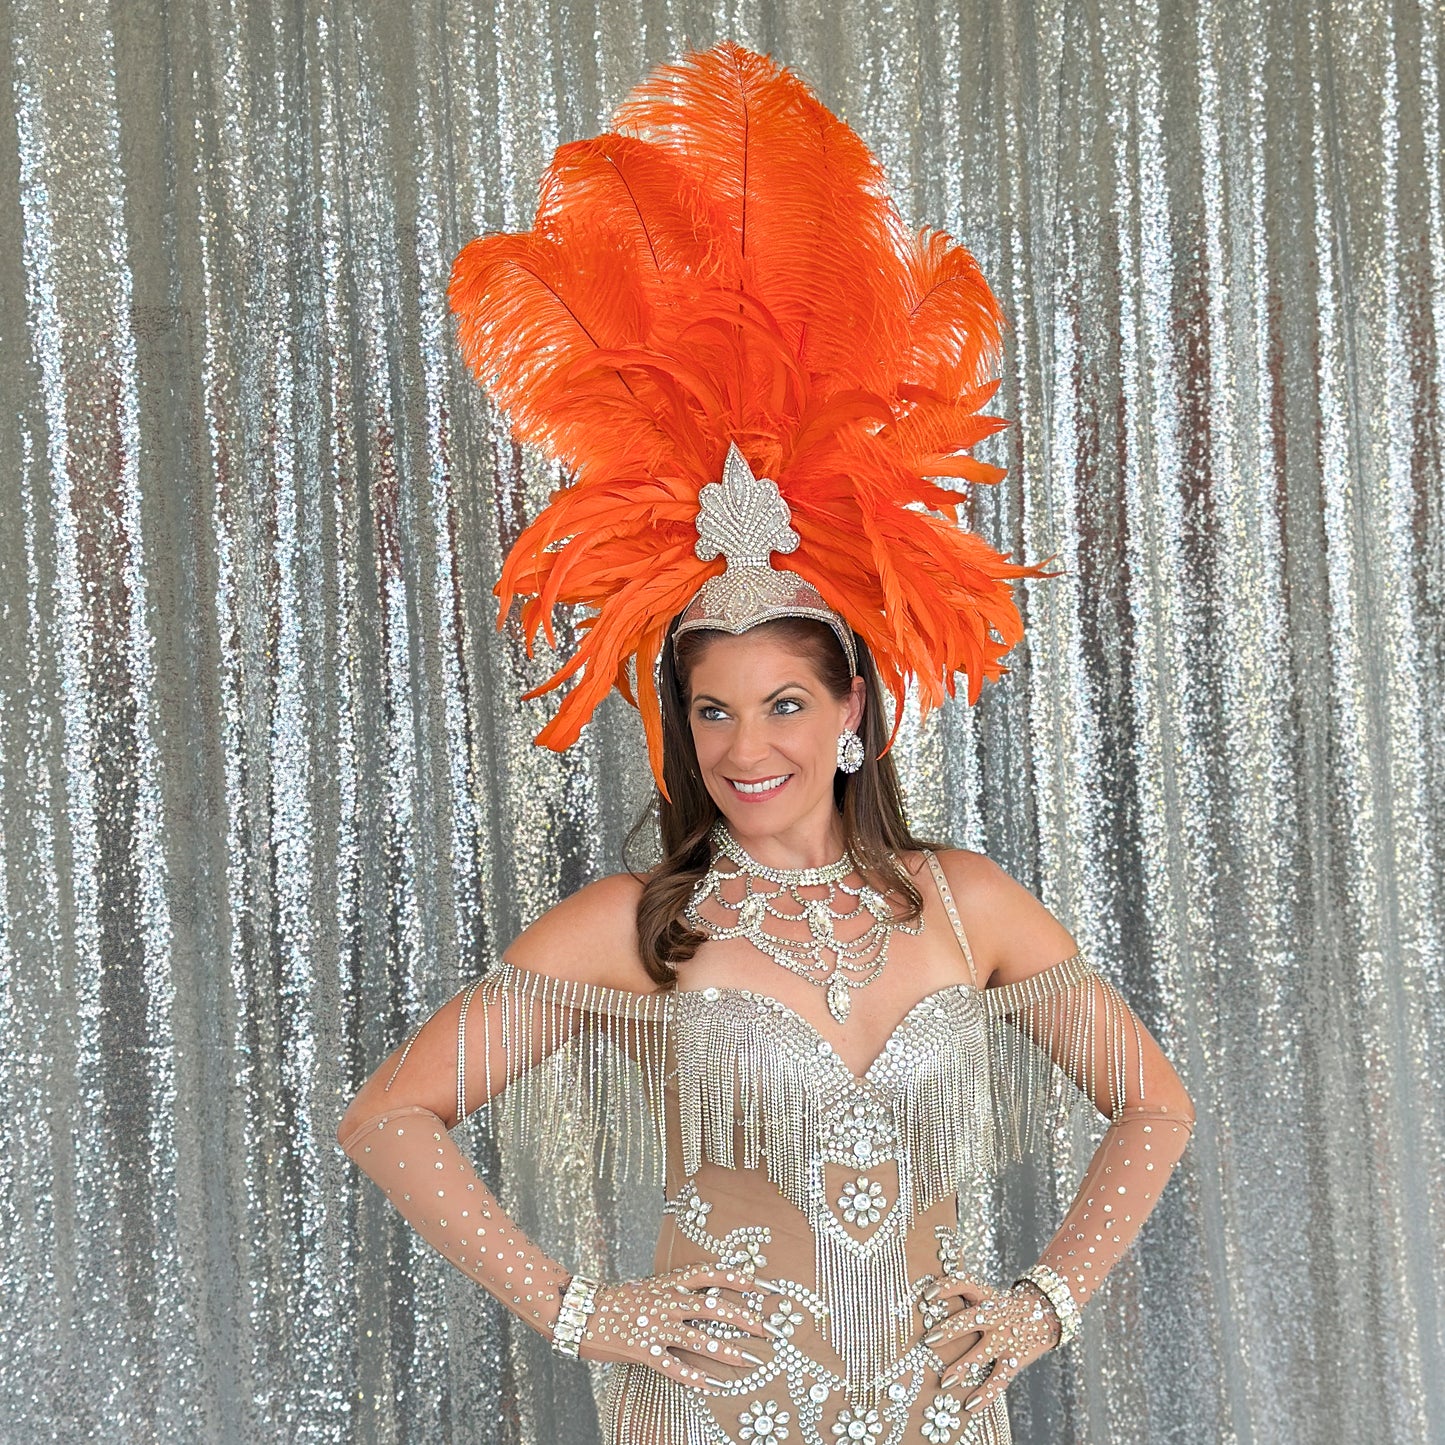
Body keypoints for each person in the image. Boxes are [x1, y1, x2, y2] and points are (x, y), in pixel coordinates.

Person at [337, 41, 1196, 1445]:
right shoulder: (639, 923)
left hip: (932, 1414)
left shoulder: (963, 904)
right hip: (717, 1413)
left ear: (853, 711)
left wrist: (1045, 1300)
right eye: (713, 709)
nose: (747, 744)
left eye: (785, 704)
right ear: (680, 728)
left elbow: (1153, 1105)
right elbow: (388, 1117)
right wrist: (578, 1310)